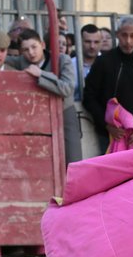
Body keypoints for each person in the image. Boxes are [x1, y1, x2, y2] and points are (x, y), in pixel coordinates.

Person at [82, 16, 133, 153]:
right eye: (124, 35)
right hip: (110, 136)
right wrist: (107, 125)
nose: (128, 41)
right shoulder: (103, 62)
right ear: (117, 35)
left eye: (132, 35)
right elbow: (89, 97)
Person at [9, 29, 82, 164]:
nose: (31, 53)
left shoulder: (62, 60)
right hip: (36, 116)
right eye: (25, 50)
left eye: (34, 47)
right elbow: (0, 60)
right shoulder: (21, 61)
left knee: (72, 158)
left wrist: (41, 74)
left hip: (64, 113)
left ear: (42, 45)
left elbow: (67, 89)